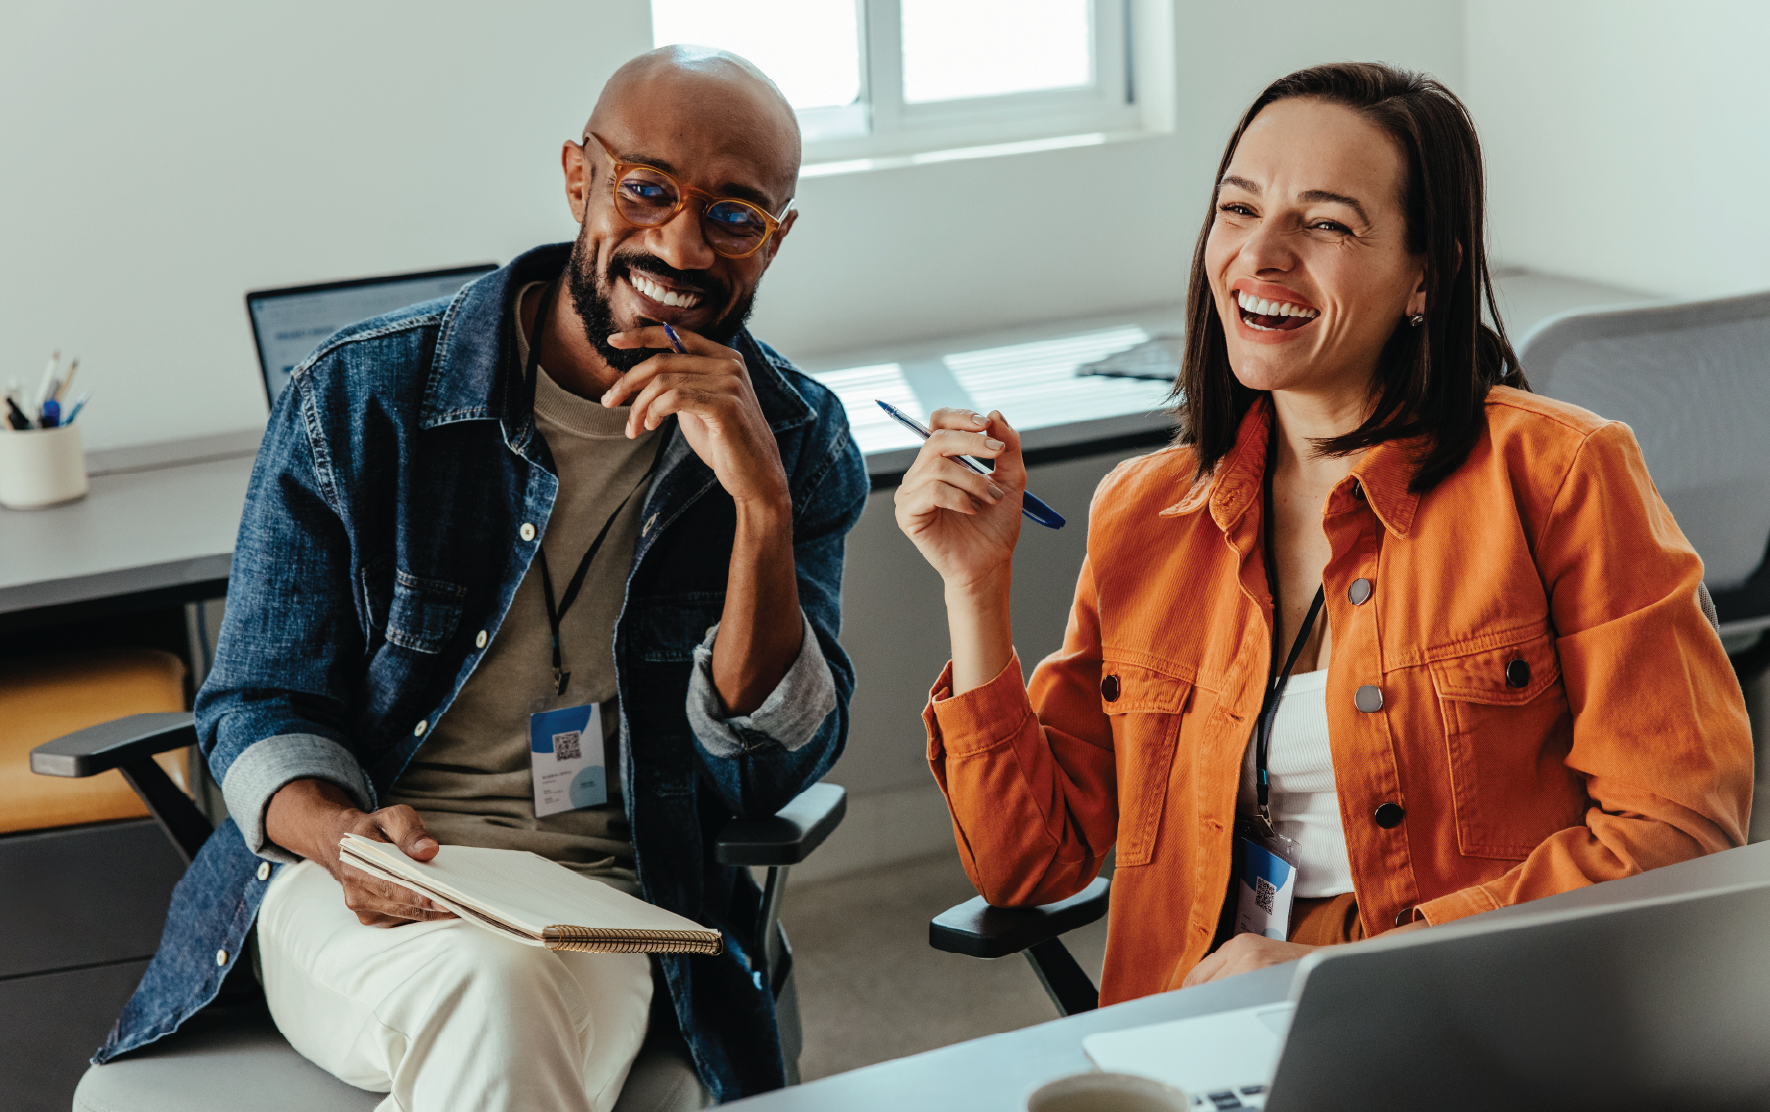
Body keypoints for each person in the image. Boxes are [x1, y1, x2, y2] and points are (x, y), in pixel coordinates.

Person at [95, 47, 868, 1110]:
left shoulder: (797, 439)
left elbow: (766, 769)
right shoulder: (362, 398)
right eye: (648, 189)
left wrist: (763, 510)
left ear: (776, 236)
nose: (683, 244)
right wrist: (344, 838)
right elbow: (259, 698)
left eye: (735, 215)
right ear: (576, 176)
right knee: (494, 996)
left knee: (508, 992)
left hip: (608, 902)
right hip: (358, 883)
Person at [896, 62, 1752, 1004]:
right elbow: (1028, 869)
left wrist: (1356, 973)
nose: (1259, 256)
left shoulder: (1559, 477)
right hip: (1199, 1018)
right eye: (1237, 209)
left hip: (1469, 1012)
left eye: (1326, 222)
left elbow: (1678, 831)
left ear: (1429, 273)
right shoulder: (1143, 512)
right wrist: (974, 587)